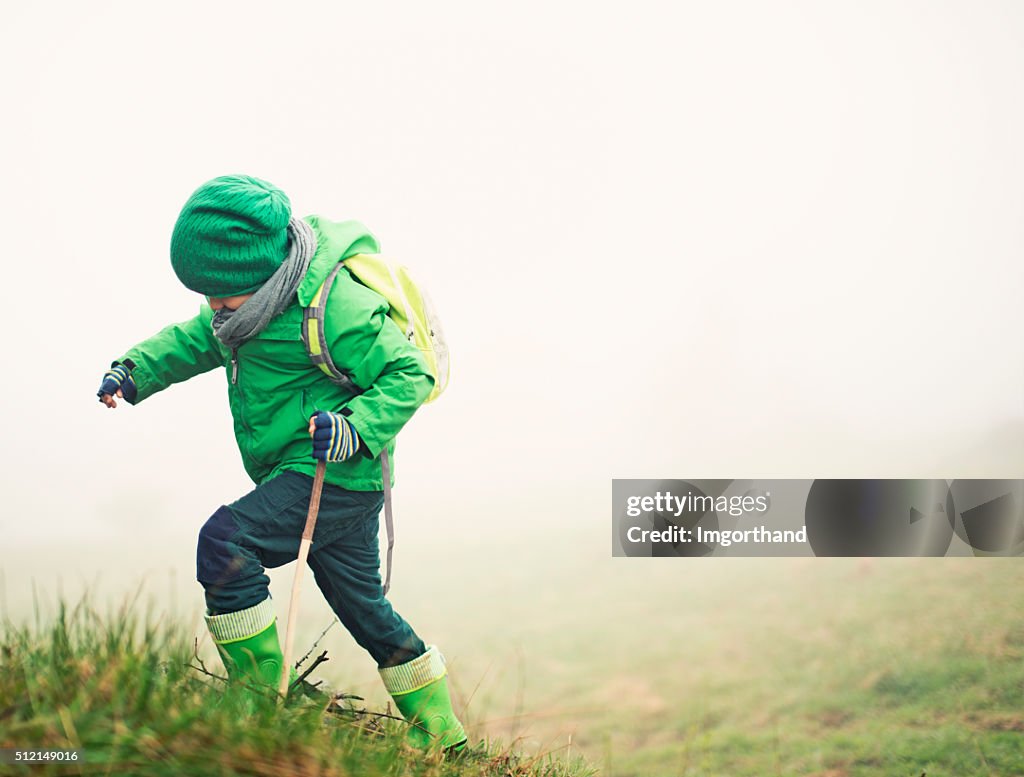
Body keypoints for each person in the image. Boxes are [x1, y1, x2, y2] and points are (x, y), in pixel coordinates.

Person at [96, 174, 466, 752]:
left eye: (222, 293)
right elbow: (193, 341)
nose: (214, 306)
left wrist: (354, 428)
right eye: (207, 293)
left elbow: (410, 372)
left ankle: (261, 701)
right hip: (317, 477)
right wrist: (133, 370)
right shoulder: (238, 313)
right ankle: (445, 737)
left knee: (225, 542)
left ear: (264, 271)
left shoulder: (335, 303)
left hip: (335, 473)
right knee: (365, 611)